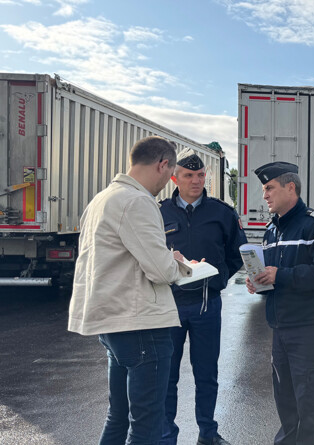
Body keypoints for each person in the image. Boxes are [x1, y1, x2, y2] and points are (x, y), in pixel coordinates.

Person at [68, 136, 187, 445]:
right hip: (142, 324)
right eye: (171, 172)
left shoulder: (103, 198)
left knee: (118, 417)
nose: (170, 180)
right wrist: (180, 264)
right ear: (162, 165)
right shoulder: (137, 201)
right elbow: (160, 270)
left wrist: (164, 257)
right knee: (146, 425)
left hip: (113, 321)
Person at [245, 162, 314, 445]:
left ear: (291, 188)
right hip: (280, 326)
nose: (265, 195)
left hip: (309, 327)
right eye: (264, 190)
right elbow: (274, 277)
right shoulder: (271, 231)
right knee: (285, 398)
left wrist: (281, 275)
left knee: (310, 400)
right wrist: (260, 284)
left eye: (269, 188)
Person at [159, 149, 247, 445]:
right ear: (175, 177)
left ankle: (208, 434)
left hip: (207, 305)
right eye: (188, 175)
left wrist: (219, 278)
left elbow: (238, 254)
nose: (196, 181)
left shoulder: (222, 213)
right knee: (166, 377)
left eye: (200, 175)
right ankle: (166, 435)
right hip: (168, 306)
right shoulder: (159, 213)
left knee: (206, 374)